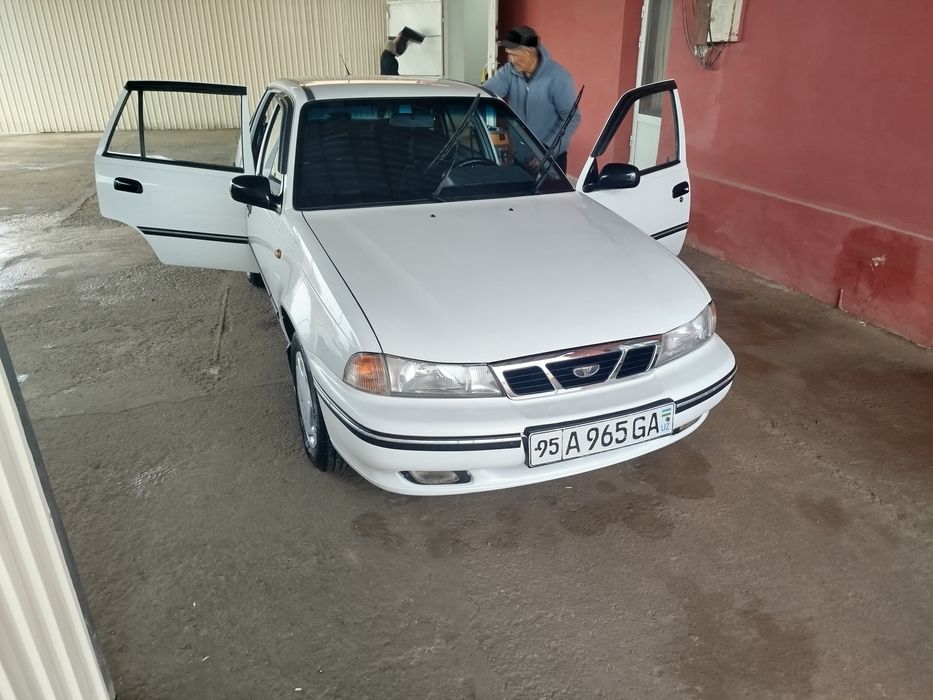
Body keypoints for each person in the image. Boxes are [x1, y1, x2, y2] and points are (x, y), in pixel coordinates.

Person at [483, 25, 581, 172]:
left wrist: (547, 150)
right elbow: (485, 92)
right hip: (519, 155)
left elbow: (571, 118)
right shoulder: (509, 72)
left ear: (529, 51)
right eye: (508, 54)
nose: (510, 60)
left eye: (513, 55)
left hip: (550, 156)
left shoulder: (558, 77)